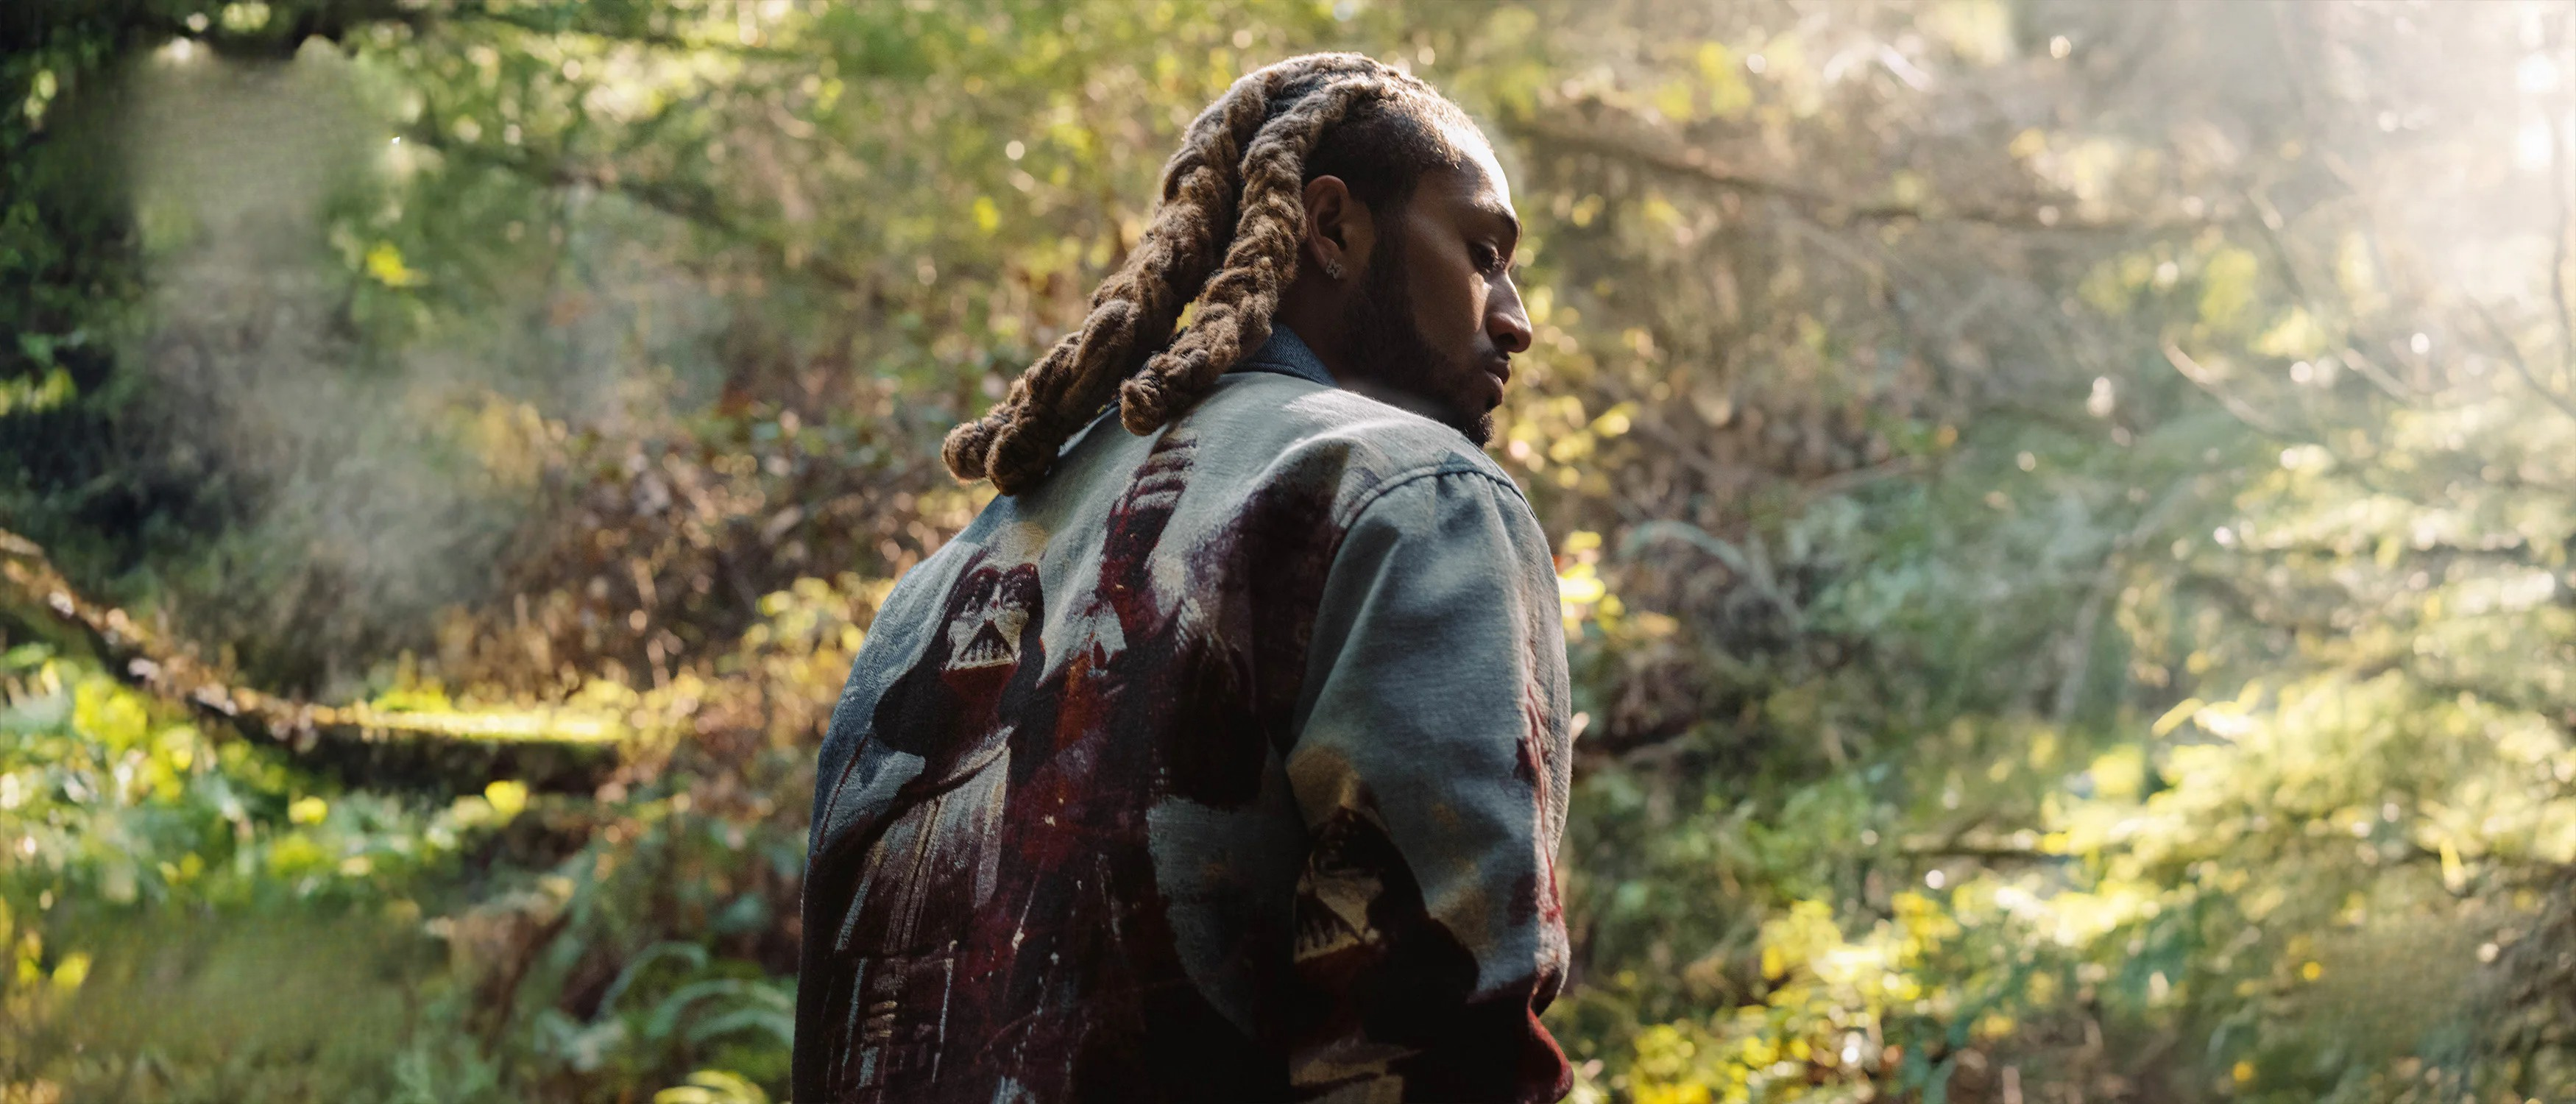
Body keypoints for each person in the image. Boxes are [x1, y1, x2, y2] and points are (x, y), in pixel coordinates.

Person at [795, 52, 1573, 1104]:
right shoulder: (1407, 494)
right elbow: (1432, 1047)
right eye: (1484, 253)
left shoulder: (936, 585)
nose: (1515, 318)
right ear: (1332, 227)